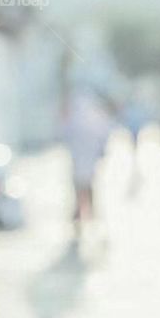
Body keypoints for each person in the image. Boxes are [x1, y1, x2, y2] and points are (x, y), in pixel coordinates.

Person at [61, 87, 113, 232]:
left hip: (81, 161)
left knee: (81, 189)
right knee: (86, 189)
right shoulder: (94, 119)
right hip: (86, 161)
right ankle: (87, 217)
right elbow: (104, 135)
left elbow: (64, 135)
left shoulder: (76, 120)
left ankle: (83, 217)